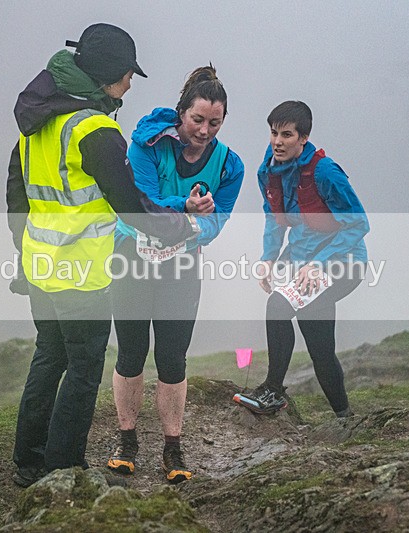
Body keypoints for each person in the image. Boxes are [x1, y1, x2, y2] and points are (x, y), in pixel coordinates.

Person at [6, 23, 200, 488]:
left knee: (49, 356)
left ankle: (28, 461)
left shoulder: (39, 122)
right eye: (128, 74)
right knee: (83, 366)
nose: (130, 83)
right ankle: (64, 467)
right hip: (81, 274)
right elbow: (129, 202)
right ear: (108, 74)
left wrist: (24, 252)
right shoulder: (94, 129)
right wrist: (178, 225)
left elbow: (17, 195)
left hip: (40, 266)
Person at [106, 66, 244, 483]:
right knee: (131, 353)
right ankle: (126, 441)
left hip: (181, 264)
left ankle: (173, 447)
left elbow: (217, 221)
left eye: (214, 123)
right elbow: (141, 202)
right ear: (181, 112)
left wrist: (192, 226)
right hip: (132, 252)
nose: (204, 130)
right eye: (197, 119)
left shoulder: (229, 165)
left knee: (172, 358)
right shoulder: (146, 144)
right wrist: (185, 209)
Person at [233, 101, 369, 418]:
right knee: (320, 348)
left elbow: (359, 223)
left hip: (344, 262)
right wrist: (269, 258)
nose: (277, 142)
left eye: (287, 135)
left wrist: (319, 263)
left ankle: (272, 392)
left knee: (279, 305)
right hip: (304, 263)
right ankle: (345, 417)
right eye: (273, 133)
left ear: (303, 138)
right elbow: (274, 218)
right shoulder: (269, 171)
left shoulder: (326, 172)